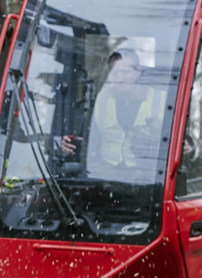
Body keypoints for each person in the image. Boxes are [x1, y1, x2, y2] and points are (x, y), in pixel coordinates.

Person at [60, 49, 166, 180]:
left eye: (125, 72)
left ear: (138, 70)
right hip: (106, 176)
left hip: (148, 177)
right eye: (115, 73)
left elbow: (183, 143)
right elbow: (88, 140)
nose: (120, 79)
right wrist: (69, 146)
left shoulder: (163, 99)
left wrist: (190, 149)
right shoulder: (102, 98)